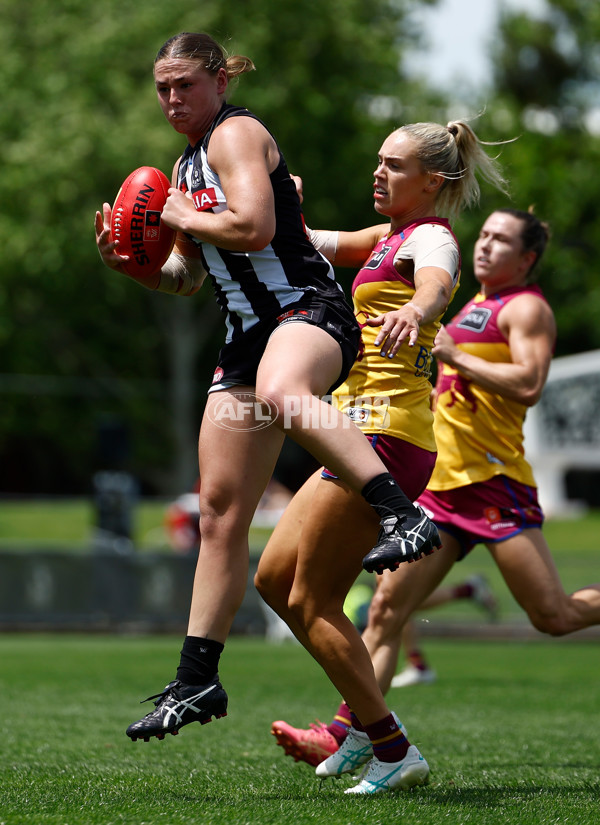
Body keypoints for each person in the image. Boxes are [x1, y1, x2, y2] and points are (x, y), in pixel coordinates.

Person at [94, 32, 443, 744]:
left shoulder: (238, 133)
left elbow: (254, 228)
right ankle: (197, 680)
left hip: (305, 312)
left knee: (286, 389)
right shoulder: (184, 166)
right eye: (162, 88)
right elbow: (188, 278)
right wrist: (129, 264)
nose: (172, 100)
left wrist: (176, 218)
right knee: (220, 510)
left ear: (220, 81)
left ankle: (400, 514)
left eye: (184, 85)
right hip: (245, 337)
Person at [266, 208, 600, 777]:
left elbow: (532, 383)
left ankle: (365, 736)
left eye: (502, 241)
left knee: (553, 615)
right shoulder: (473, 306)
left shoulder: (527, 308)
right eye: (485, 236)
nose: (486, 247)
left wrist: (452, 354)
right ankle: (351, 733)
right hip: (442, 487)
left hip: (495, 485)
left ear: (527, 259)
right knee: (387, 610)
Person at [255, 125, 510, 793]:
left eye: (394, 166)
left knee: (314, 598)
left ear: (434, 181)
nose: (379, 173)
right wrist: (280, 205)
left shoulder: (432, 238)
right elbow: (304, 245)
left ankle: (392, 747)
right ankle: (362, 731)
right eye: (378, 161)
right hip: (354, 431)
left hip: (389, 438)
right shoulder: (383, 239)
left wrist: (421, 309)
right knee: (275, 581)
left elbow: (437, 281)